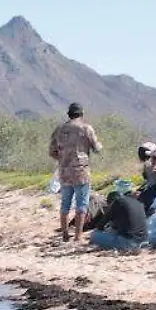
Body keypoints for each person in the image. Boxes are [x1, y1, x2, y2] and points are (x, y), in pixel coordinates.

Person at [48, 102, 102, 242]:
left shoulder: (59, 129)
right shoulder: (86, 128)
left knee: (65, 203)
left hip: (64, 171)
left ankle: (65, 234)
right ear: (81, 114)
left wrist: (63, 158)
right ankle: (78, 236)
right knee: (82, 203)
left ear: (69, 114)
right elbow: (97, 148)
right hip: (81, 171)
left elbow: (52, 151)